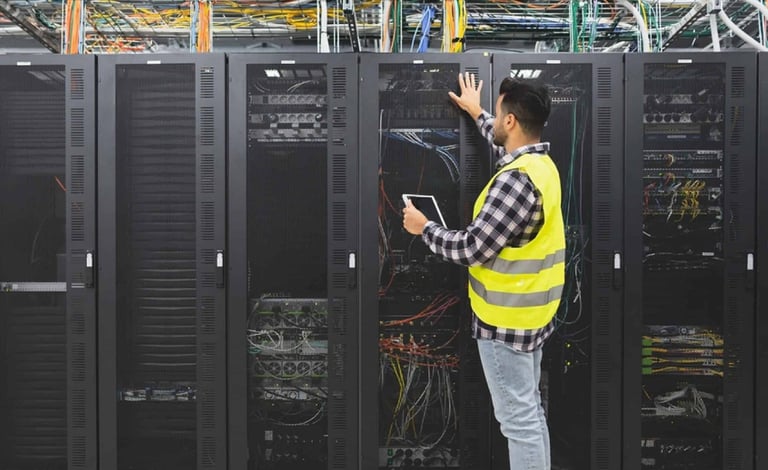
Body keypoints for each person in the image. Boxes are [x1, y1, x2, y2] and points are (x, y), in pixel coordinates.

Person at [402, 72, 565, 470]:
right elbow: (502, 142)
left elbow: (472, 248)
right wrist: (476, 112)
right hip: (531, 317)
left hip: (504, 324)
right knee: (530, 412)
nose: (494, 116)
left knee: (518, 422)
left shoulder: (516, 183)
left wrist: (424, 228)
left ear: (511, 120)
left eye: (497, 110)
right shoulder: (540, 165)